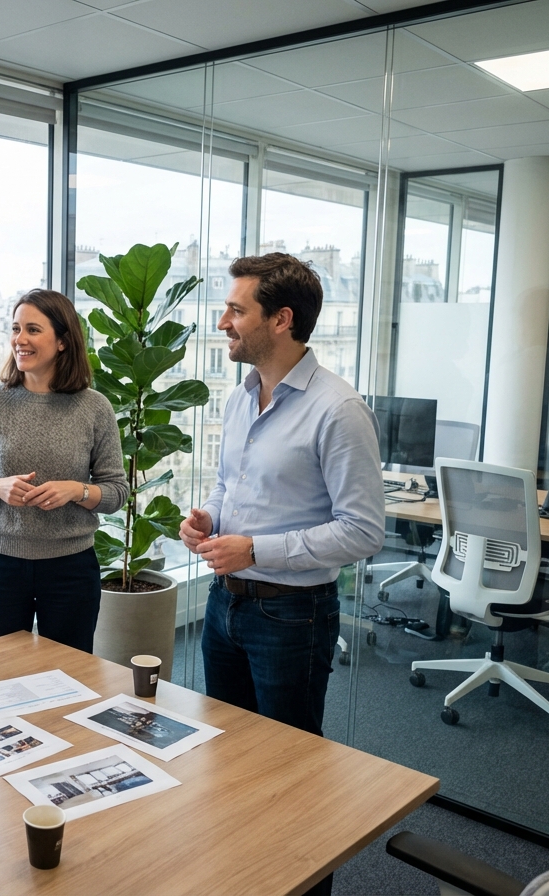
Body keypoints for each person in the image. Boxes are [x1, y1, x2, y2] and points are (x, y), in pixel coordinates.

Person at [179, 252, 384, 738]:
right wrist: (209, 518)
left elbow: (363, 531)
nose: (222, 322)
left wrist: (254, 549)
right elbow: (229, 483)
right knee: (224, 748)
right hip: (223, 602)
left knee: (286, 763)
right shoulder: (239, 397)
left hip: (292, 615)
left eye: (236, 311)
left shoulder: (339, 410)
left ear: (281, 320)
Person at [0, 289, 127, 652]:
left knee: (70, 675)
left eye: (33, 329)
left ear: (63, 341)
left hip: (70, 569)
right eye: (15, 329)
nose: (20, 339)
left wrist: (77, 491)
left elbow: (116, 492)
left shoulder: (95, 408)